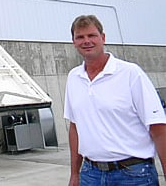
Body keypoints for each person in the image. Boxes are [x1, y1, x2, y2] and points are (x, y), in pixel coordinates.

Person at [64, 15, 166, 186]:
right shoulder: (74, 78)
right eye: (80, 37)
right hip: (91, 175)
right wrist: (75, 174)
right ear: (73, 42)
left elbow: (158, 128)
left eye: (92, 35)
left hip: (134, 175)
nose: (86, 41)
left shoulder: (131, 74)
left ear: (103, 38)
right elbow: (75, 127)